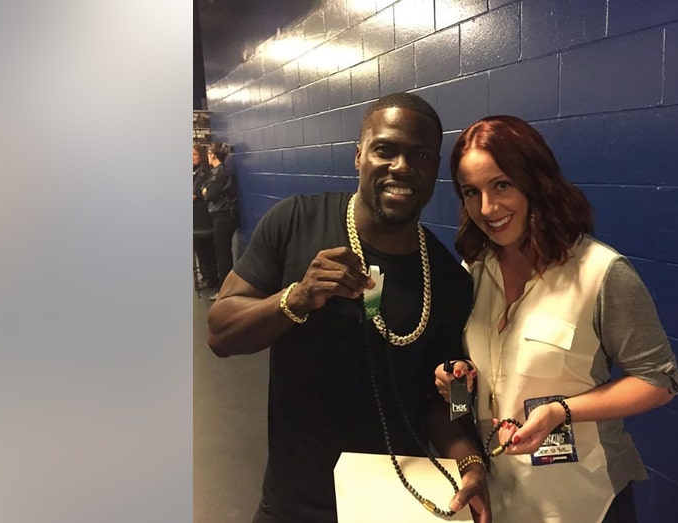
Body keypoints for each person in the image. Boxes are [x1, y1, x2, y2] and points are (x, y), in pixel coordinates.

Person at [206, 92, 491, 523]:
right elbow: (220, 332)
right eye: (385, 150)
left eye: (420, 155)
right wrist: (295, 299)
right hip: (294, 501)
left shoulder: (448, 278)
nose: (401, 167)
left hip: (397, 499)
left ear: (435, 170)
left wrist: (469, 462)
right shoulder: (295, 220)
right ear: (359, 157)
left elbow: (442, 402)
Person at [434, 115, 678, 523]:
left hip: (586, 502)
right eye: (471, 192)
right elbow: (477, 395)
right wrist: (458, 387)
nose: (487, 208)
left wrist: (561, 411)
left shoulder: (601, 272)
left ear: (534, 180)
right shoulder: (475, 272)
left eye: (501, 185)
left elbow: (660, 382)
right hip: (502, 499)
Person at [201, 142, 238, 300]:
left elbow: (210, 194)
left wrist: (205, 192)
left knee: (223, 255)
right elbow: (202, 188)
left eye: (209, 153)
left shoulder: (221, 172)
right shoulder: (215, 172)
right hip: (219, 216)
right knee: (221, 253)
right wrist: (205, 191)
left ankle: (225, 291)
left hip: (224, 216)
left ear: (213, 155)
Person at [193, 144, 219, 289]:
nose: (192, 158)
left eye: (195, 155)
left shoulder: (204, 172)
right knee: (199, 249)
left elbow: (196, 192)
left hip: (203, 217)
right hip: (194, 219)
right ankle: (205, 276)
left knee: (207, 248)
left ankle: (212, 278)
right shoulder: (192, 171)